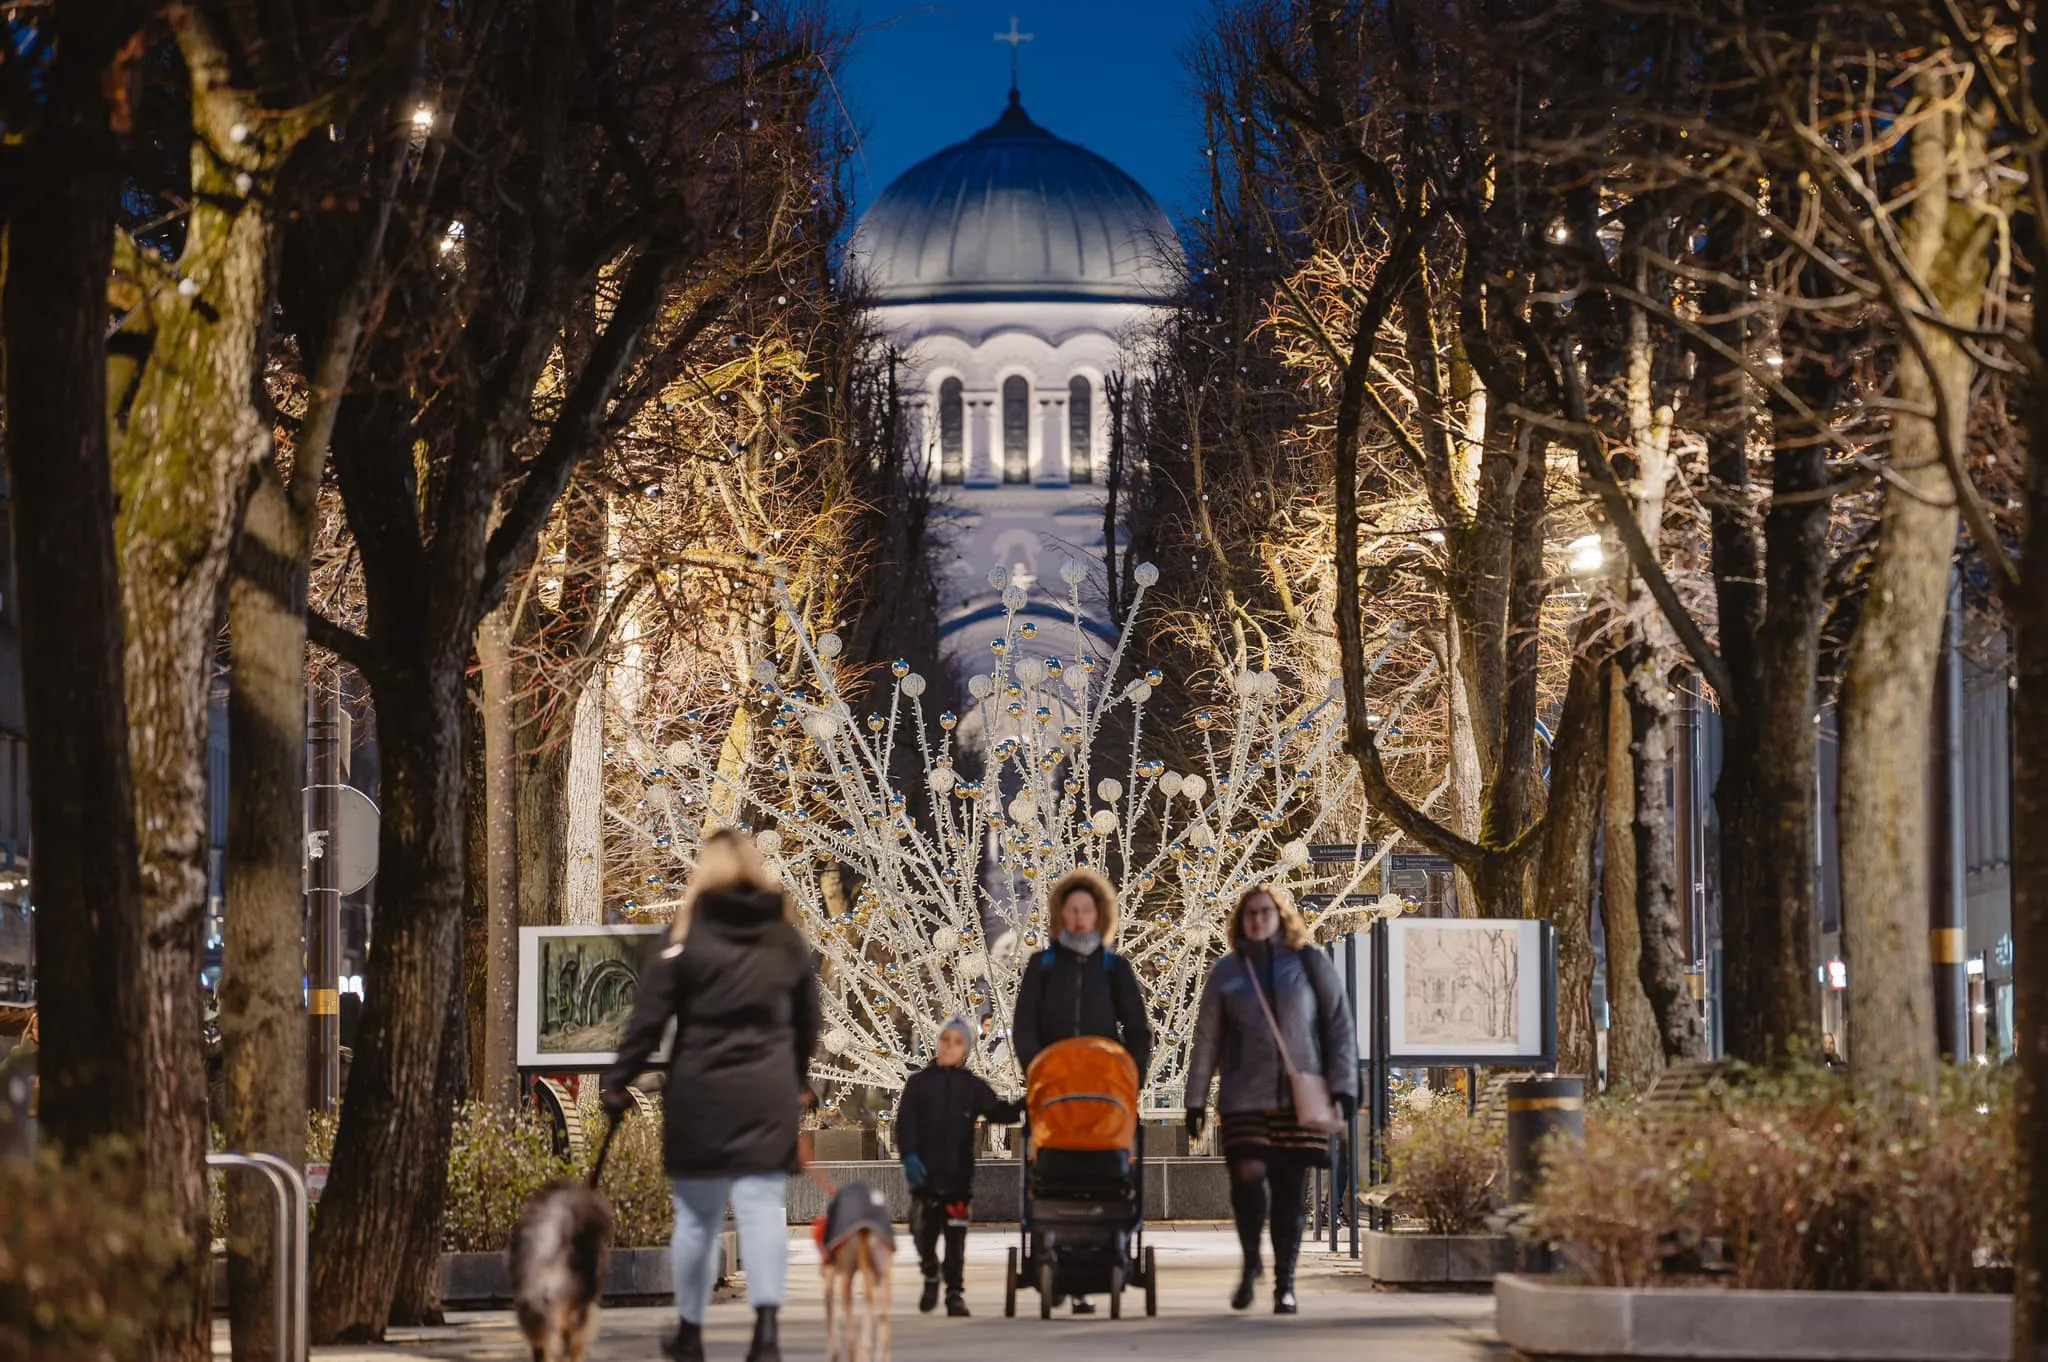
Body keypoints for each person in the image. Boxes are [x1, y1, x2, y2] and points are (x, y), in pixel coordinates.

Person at [603, 829, 819, 1362]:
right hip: (766, 1091)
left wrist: (618, 1081)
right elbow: (807, 1024)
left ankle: (691, 1331)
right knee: (763, 1209)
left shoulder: (684, 936)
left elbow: (647, 1020)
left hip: (700, 1091)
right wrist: (797, 1080)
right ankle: (766, 1334)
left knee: (697, 1218)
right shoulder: (785, 939)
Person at [1184, 884, 1356, 1315]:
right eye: (1250, 914)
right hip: (1244, 1095)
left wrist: (1344, 1087)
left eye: (1265, 912)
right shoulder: (1227, 971)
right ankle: (1249, 1263)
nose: (1257, 920)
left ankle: (1285, 1282)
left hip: (1299, 1099)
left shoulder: (1307, 963)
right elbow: (1207, 1038)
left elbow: (1338, 1026)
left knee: (1288, 1193)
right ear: (1240, 921)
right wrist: (1195, 1099)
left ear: (1281, 916)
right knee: (1247, 1176)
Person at [1011, 867, 1151, 1314]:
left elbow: (1138, 1028)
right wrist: (1038, 1071)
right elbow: (1024, 1025)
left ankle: (1104, 1254)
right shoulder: (1043, 965)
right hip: (1053, 1092)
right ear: (1060, 915)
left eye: (1086, 909)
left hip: (1106, 1091)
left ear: (1098, 914)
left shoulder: (1115, 968)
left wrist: (1133, 1076)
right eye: (1071, 910)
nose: (1078, 917)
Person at [896, 1016, 1022, 1317]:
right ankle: (930, 1271)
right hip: (925, 1176)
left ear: (965, 1049)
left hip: (957, 1177)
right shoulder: (918, 1084)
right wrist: (910, 1157)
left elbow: (997, 1113)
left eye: (957, 1042)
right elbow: (905, 1126)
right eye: (945, 1040)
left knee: (955, 1237)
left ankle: (954, 1293)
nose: (949, 1046)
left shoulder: (971, 1087)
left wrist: (1026, 1104)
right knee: (921, 1230)